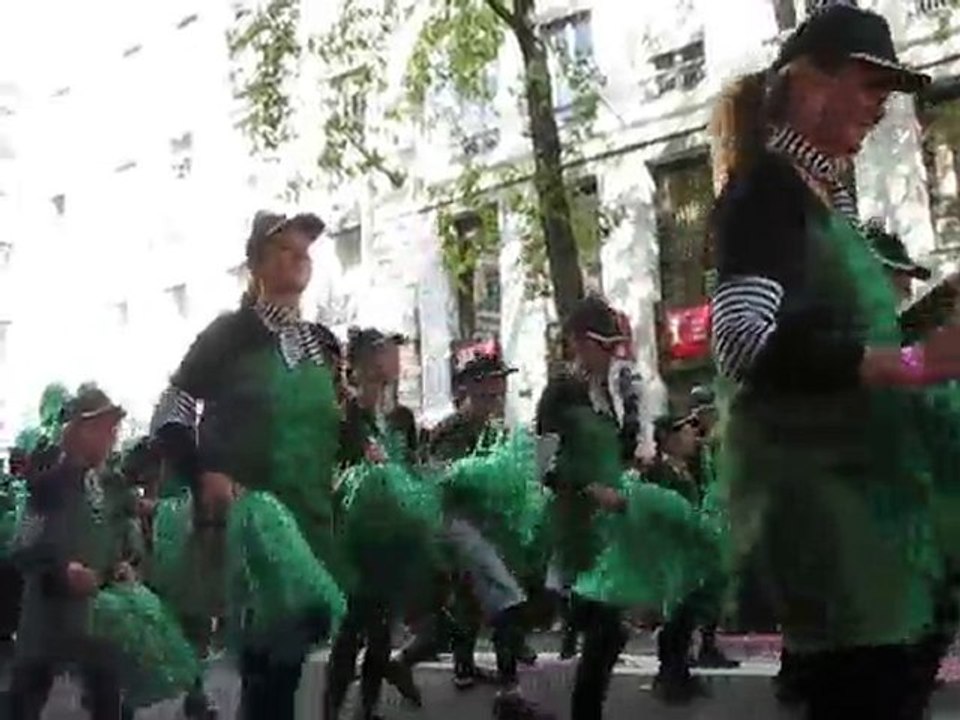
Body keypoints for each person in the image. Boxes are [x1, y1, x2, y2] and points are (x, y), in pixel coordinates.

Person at [709, 5, 960, 717]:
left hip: (875, 513)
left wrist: (934, 310)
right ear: (809, 82)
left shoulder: (825, 194)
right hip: (829, 525)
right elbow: (742, 340)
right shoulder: (766, 194)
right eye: (870, 87)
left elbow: (841, 332)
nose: (881, 109)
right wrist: (915, 364)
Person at [150, 209, 346, 720]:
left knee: (285, 665)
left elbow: (330, 428)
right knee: (269, 665)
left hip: (311, 522)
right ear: (256, 263)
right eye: (285, 247)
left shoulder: (318, 345)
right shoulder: (228, 334)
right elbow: (171, 410)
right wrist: (203, 473)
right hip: (252, 525)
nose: (300, 254)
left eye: (305, 246)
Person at [389, 339, 550, 720]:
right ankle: (510, 695)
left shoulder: (496, 431)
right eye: (488, 382)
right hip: (451, 524)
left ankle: (430, 663)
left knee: (469, 607)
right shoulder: (450, 430)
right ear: (467, 388)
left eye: (500, 381)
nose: (497, 390)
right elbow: (435, 480)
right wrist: (481, 478)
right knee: (504, 595)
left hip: (481, 523)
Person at [537, 295, 636, 720]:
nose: (612, 354)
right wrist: (589, 488)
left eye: (615, 346)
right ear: (578, 342)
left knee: (609, 632)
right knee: (606, 627)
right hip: (576, 530)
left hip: (609, 529)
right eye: (603, 345)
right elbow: (543, 466)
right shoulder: (558, 395)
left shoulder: (610, 393)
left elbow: (623, 453)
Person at [8, 386, 128, 720]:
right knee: (25, 700)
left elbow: (110, 538)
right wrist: (62, 572)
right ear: (82, 430)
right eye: (106, 429)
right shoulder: (49, 485)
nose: (113, 438)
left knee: (108, 698)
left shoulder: (105, 486)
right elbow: (22, 548)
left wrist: (119, 566)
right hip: (46, 619)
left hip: (93, 618)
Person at [324, 326, 423, 720]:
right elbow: (329, 473)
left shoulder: (400, 418)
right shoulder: (346, 417)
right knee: (353, 628)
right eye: (385, 354)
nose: (394, 361)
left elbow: (409, 466)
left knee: (382, 630)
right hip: (355, 535)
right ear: (363, 366)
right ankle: (331, 710)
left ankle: (367, 709)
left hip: (393, 533)